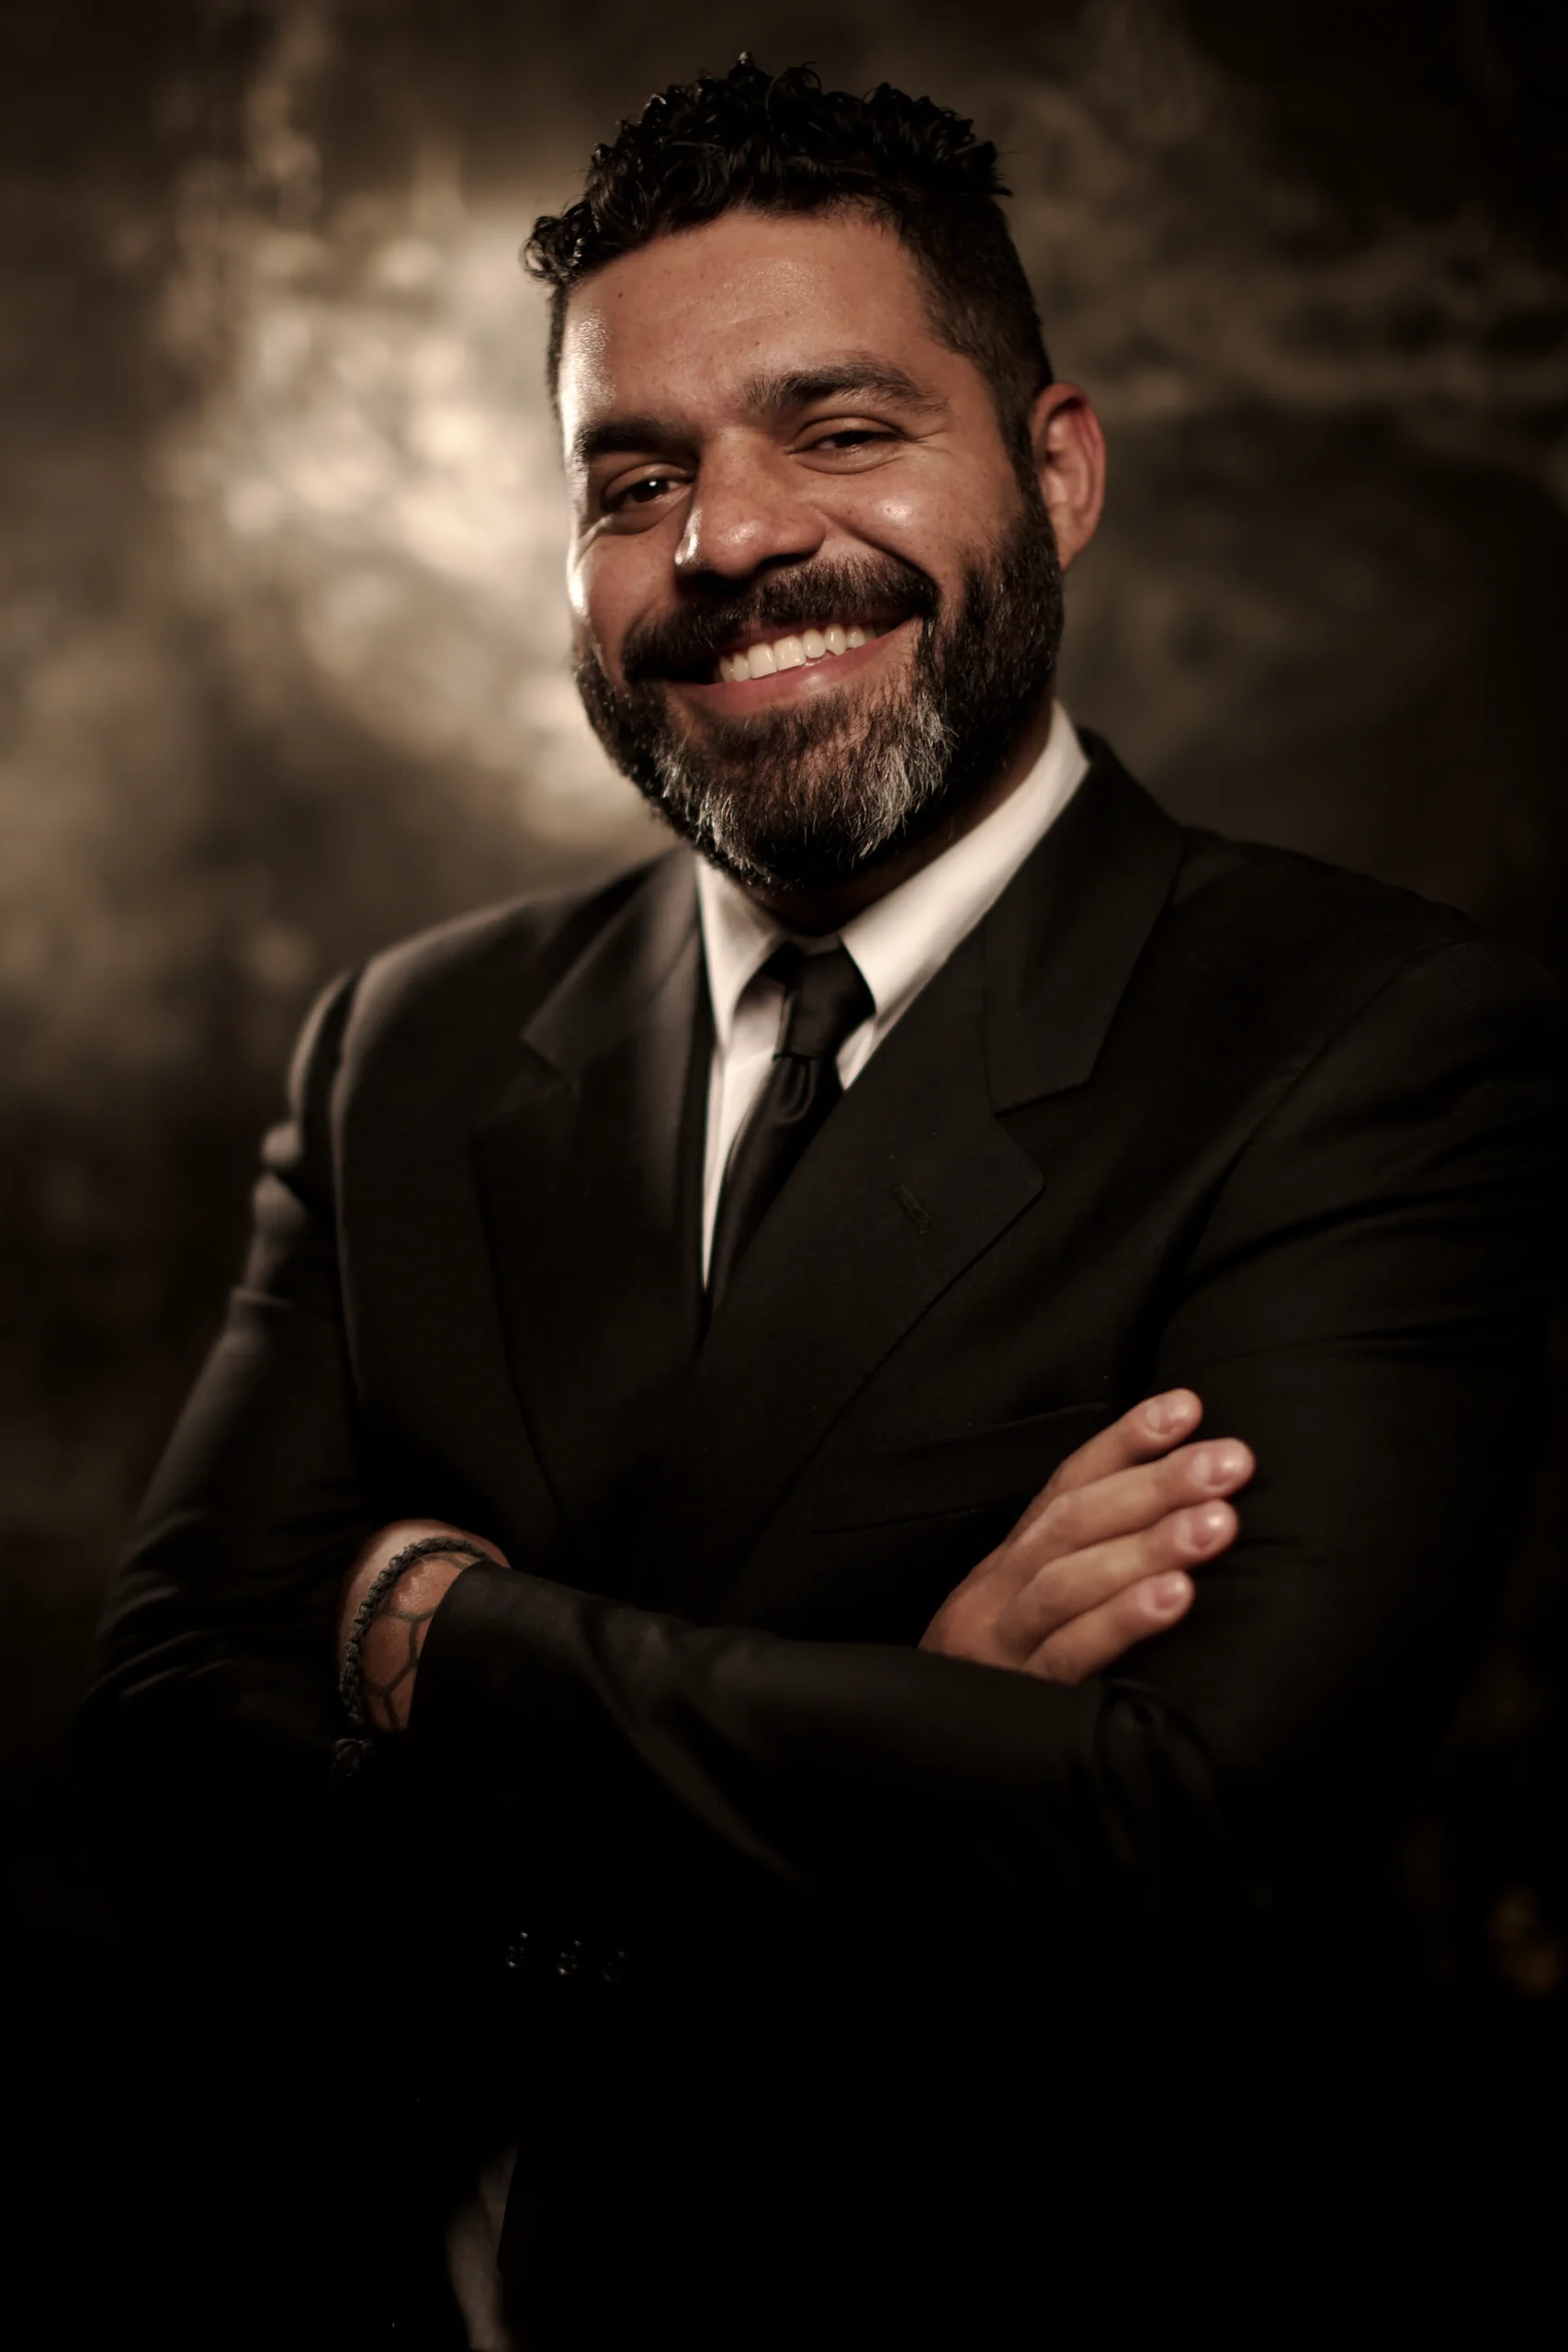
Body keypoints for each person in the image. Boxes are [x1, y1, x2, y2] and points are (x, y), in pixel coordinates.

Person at [80, 57, 1565, 2348]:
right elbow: (172, 1757)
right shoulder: (410, 1041)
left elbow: (1178, 1838)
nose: (729, 539)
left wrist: (420, 1628)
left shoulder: (1367, 1038)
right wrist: (916, 1709)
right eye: (633, 478)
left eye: (841, 428)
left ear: (1055, 471)